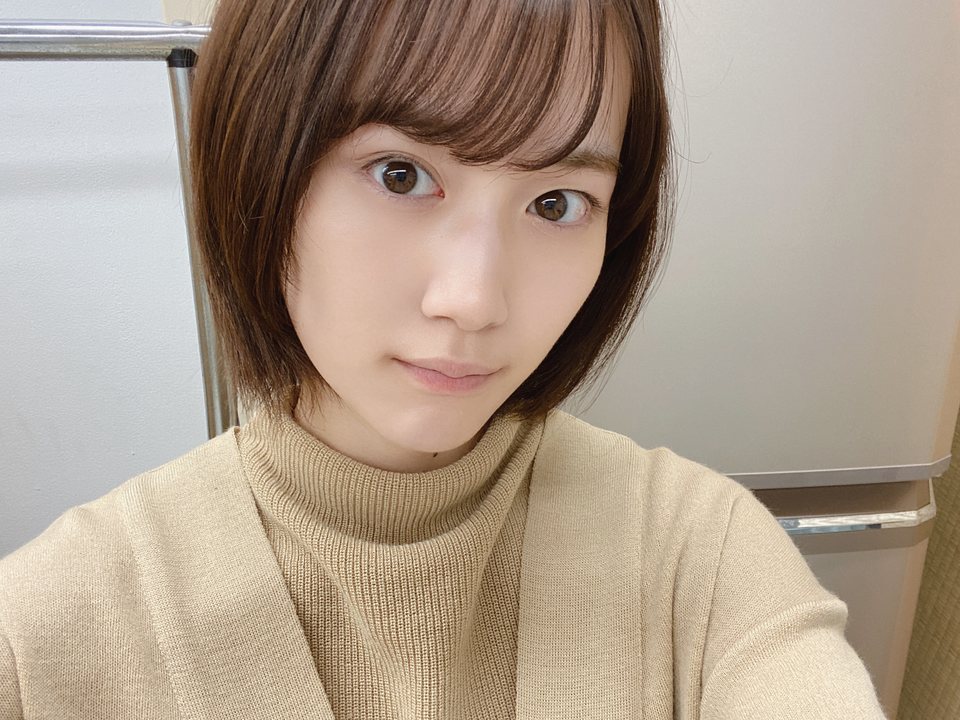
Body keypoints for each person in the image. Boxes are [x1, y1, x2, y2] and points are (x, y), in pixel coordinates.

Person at [0, 0, 888, 717]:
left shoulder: (702, 556)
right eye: (400, 174)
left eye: (556, 202)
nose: (474, 300)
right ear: (261, 160)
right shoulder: (43, 633)